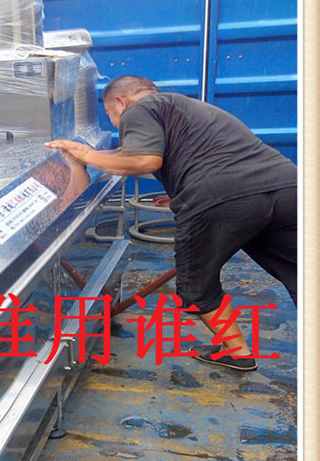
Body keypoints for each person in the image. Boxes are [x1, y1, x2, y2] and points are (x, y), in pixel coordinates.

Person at [45, 75, 297, 372]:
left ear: (121, 101)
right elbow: (188, 157)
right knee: (301, 273)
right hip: (288, 189)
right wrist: (179, 192)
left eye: (111, 115)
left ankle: (236, 351)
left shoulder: (138, 109)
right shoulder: (187, 107)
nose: (114, 124)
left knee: (195, 285)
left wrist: (86, 154)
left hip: (221, 198)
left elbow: (144, 159)